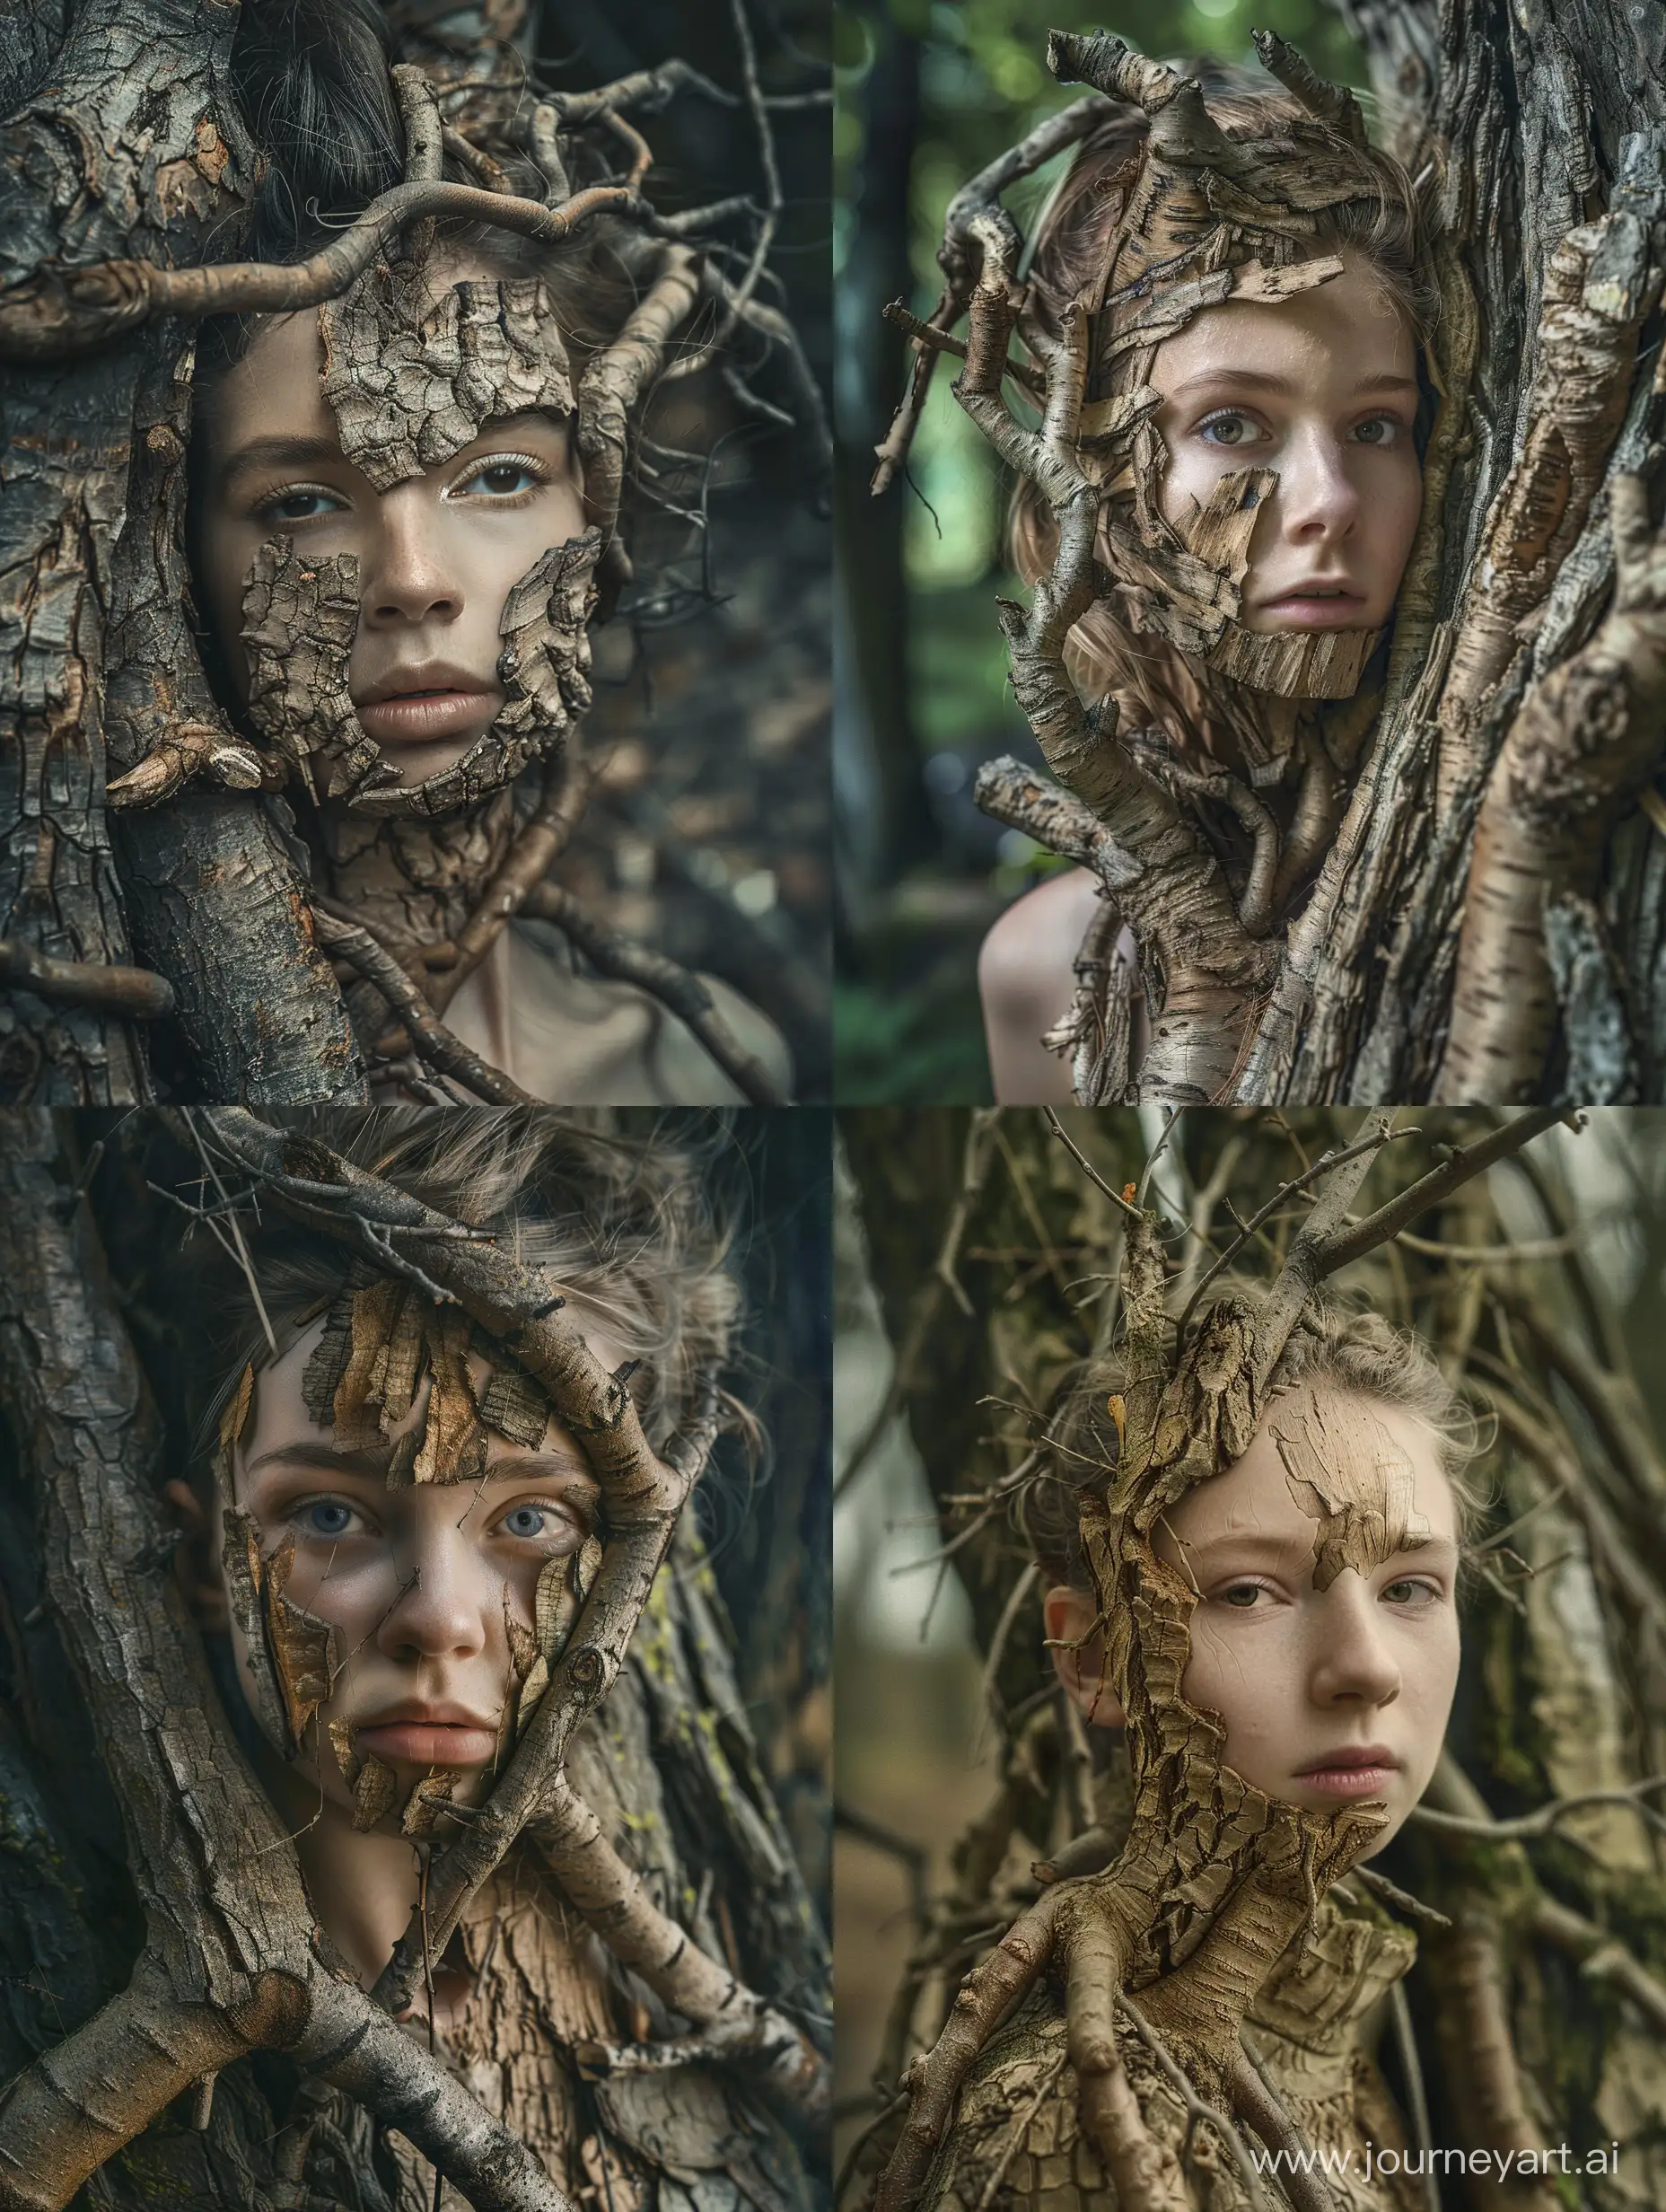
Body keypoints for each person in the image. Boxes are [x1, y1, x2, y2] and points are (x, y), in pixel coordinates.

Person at [162, 1110, 820, 2208]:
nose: (438, 1619)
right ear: (200, 1555)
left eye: (528, 1522)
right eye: (330, 1511)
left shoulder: (722, 1995)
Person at [183, 0, 794, 1105]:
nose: (412, 583)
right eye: (301, 501)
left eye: (499, 477)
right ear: (180, 559)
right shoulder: (120, 1060)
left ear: (594, 508)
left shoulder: (702, 1062)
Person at [919, 1295, 1480, 2212]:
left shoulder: (1343, 2047)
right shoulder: (1085, 2133)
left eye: (1409, 1587)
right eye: (1249, 1592)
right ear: (1094, 1655)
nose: (1365, 1669)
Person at [971, 62, 1441, 1102]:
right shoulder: (1035, 972)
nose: (1329, 500)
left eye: (1375, 426)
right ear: (1082, 459)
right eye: (1231, 424)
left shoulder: (1488, 884)